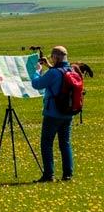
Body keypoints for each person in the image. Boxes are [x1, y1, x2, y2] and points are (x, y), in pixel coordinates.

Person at [30, 45, 74, 182]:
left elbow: (37, 84)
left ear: (55, 57)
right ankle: (68, 174)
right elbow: (58, 74)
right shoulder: (71, 70)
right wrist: (49, 66)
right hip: (68, 112)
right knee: (65, 143)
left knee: (47, 143)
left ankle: (49, 175)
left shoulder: (53, 73)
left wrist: (37, 71)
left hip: (53, 113)